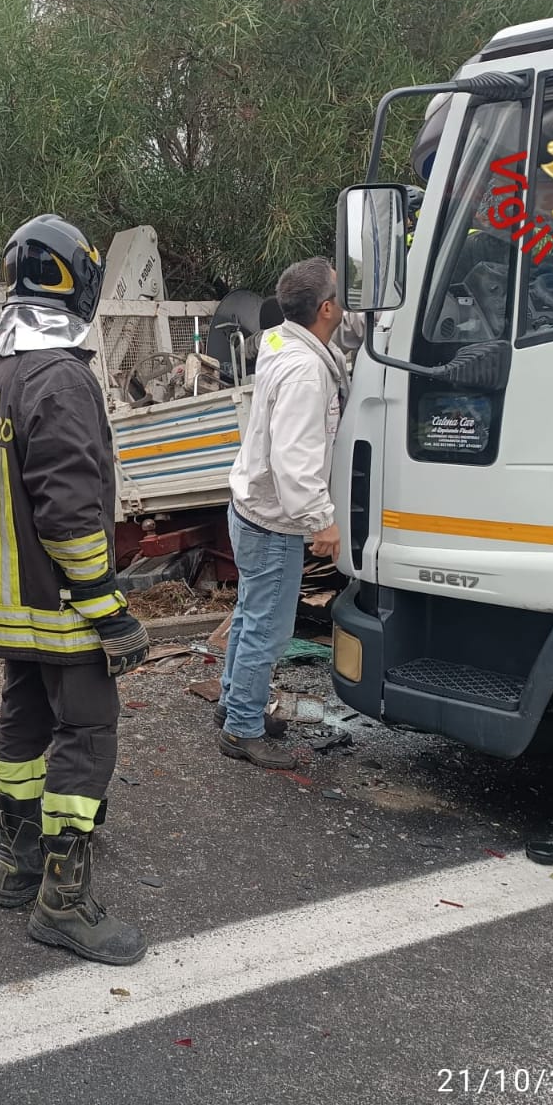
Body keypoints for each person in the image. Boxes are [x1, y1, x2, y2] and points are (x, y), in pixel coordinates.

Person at [0, 214, 152, 967]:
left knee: (23, 727)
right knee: (86, 734)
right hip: (60, 607)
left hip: (5, 607)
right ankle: (63, 903)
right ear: (80, 284)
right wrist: (108, 609)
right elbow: (70, 510)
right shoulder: (61, 378)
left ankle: (20, 864)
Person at [217, 257, 348, 772]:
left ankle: (234, 703)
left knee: (252, 614)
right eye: (340, 295)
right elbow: (294, 458)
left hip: (251, 509)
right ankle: (243, 729)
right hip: (274, 521)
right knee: (267, 629)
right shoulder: (304, 372)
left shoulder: (283, 342)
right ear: (326, 308)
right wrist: (322, 520)